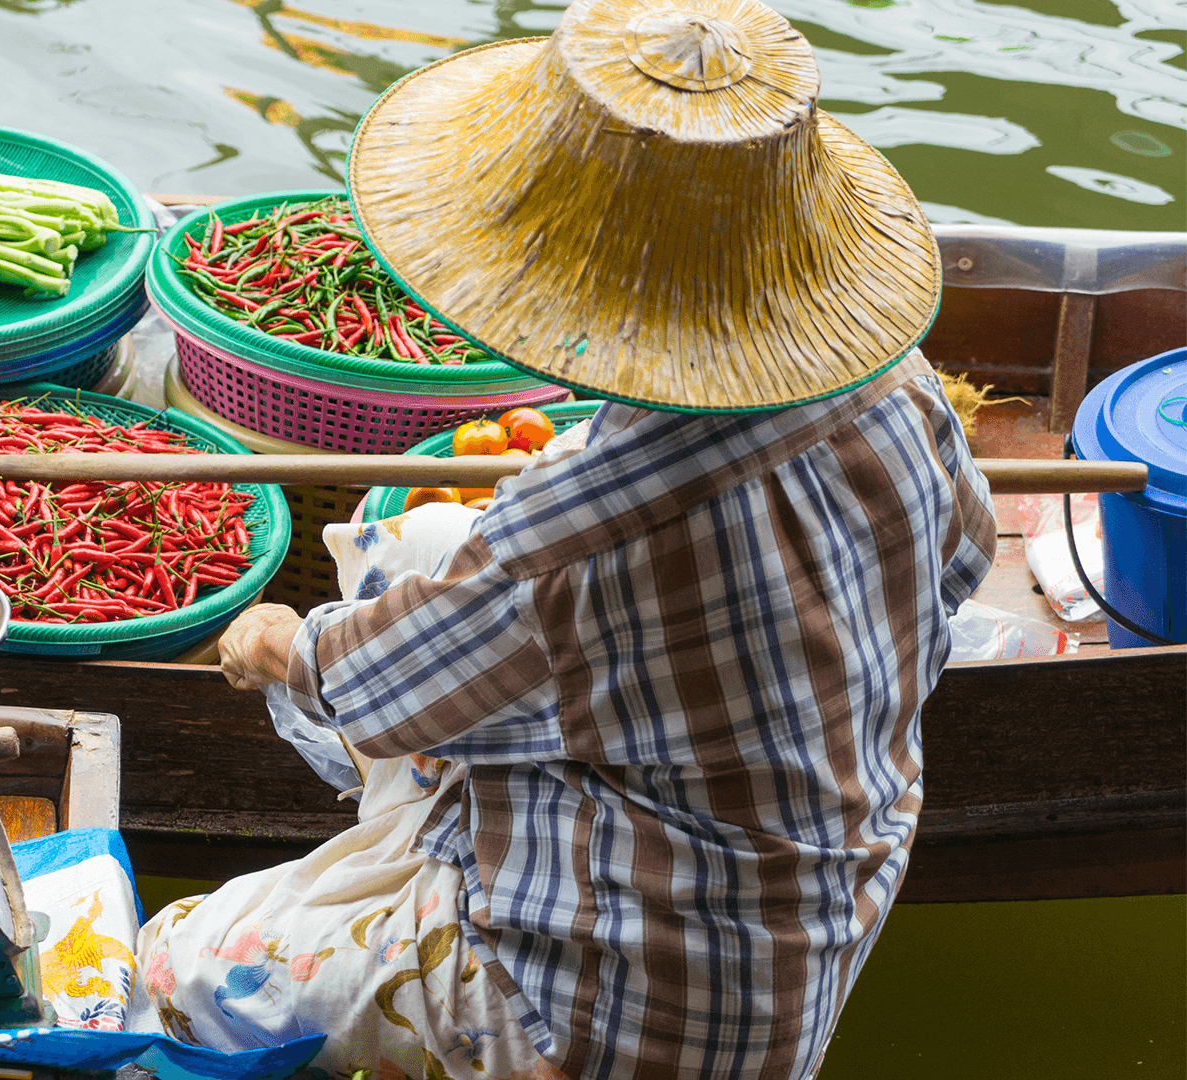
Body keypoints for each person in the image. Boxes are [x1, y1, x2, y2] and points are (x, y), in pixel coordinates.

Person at [127, 0, 999, 1077]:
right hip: (826, 908)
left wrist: (266, 639)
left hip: (602, 1009)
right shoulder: (898, 387)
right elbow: (961, 566)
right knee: (427, 544)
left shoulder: (572, 540)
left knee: (169, 972)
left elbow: (359, 689)